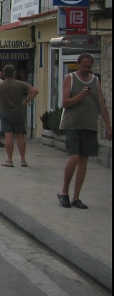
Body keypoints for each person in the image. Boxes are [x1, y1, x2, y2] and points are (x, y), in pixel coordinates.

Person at [57, 53, 112, 209]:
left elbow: (101, 104)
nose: (86, 69)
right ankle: (64, 192)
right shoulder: (71, 78)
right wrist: (81, 95)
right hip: (72, 124)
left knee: (83, 160)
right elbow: (65, 103)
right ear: (78, 64)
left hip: (89, 125)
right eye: (84, 66)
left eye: (89, 67)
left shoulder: (95, 80)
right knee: (74, 157)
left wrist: (108, 126)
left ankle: (76, 197)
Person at [0, 65, 38, 167]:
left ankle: (10, 160)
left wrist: (0, 103)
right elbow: (34, 91)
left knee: (9, 137)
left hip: (5, 113)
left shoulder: (0, 86)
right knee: (20, 136)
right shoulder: (21, 84)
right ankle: (23, 159)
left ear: (3, 74)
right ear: (14, 73)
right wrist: (25, 101)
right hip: (18, 112)